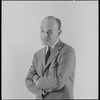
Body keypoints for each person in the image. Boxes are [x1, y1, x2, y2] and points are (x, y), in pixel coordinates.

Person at [25, 16, 76, 99]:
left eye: (49, 32)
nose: (44, 36)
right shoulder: (37, 55)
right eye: (42, 31)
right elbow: (28, 81)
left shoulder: (67, 51)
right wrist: (42, 91)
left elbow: (59, 81)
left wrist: (38, 81)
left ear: (59, 33)